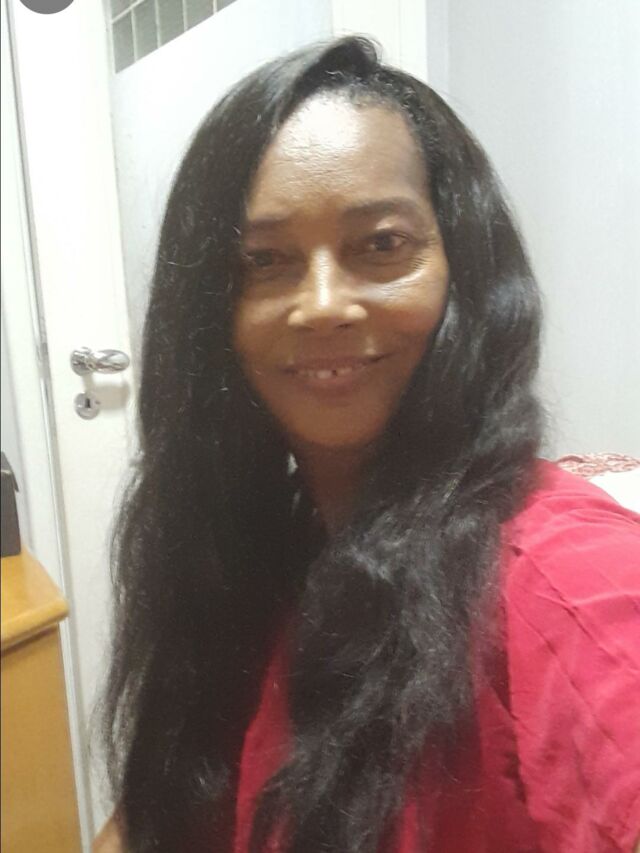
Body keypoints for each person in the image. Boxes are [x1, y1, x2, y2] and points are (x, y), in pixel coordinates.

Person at [94, 37, 640, 853]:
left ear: (464, 269)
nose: (323, 305)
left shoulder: (558, 577)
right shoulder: (260, 547)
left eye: (381, 245)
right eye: (264, 260)